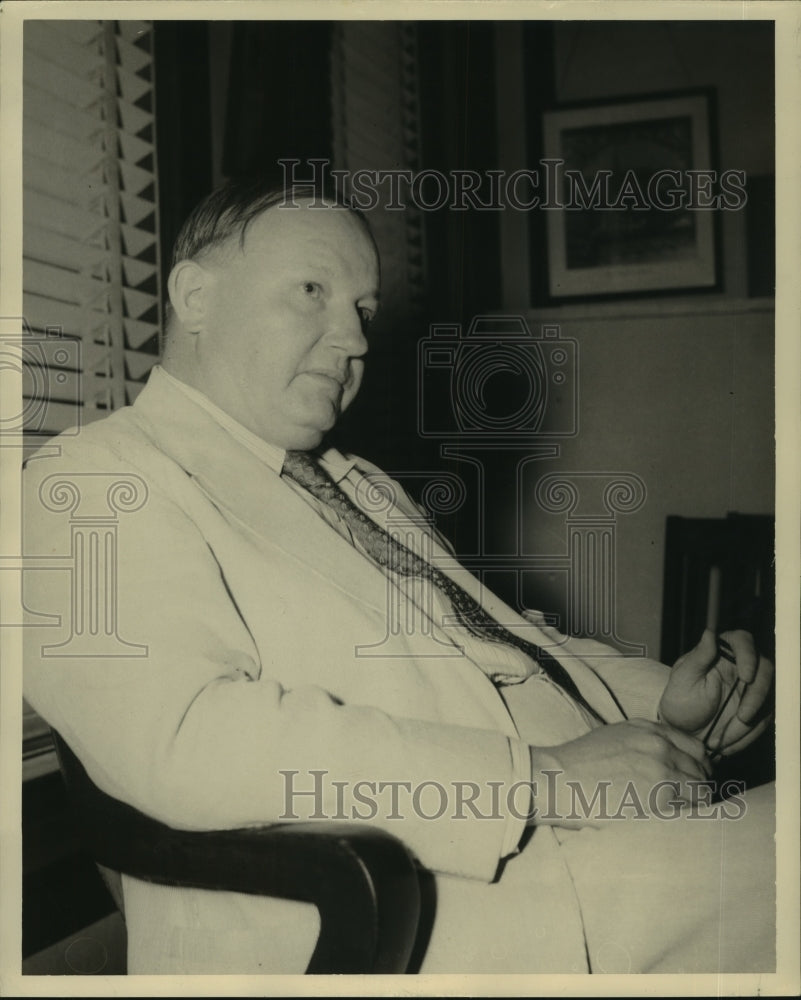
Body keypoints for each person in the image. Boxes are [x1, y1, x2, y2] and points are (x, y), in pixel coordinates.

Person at [22, 180, 775, 975]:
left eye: (364, 309)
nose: (353, 340)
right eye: (312, 291)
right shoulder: (93, 481)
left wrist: (660, 701)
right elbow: (183, 740)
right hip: (431, 915)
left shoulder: (354, 483)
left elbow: (504, 643)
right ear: (194, 294)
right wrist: (539, 782)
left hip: (580, 859)